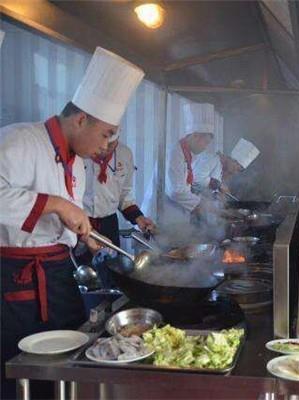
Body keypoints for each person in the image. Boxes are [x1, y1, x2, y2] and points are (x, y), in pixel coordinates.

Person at [0, 47, 143, 398]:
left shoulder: (77, 162)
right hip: (15, 282)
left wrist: (85, 235)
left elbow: (67, 217)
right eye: (106, 134)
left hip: (59, 276)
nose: (108, 145)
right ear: (80, 120)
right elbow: (50, 206)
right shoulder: (18, 140)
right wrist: (55, 204)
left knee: (67, 365)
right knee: (18, 372)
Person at [78, 133, 155, 265]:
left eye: (111, 144)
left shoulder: (125, 154)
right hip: (79, 224)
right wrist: (86, 233)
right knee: (82, 271)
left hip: (109, 224)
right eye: (101, 142)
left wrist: (138, 217)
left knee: (113, 270)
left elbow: (124, 194)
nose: (105, 148)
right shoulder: (79, 153)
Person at [164, 103, 215, 224]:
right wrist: (201, 203)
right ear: (195, 136)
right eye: (206, 142)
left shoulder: (187, 153)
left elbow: (186, 183)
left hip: (175, 213)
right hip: (159, 215)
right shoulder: (175, 153)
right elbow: (175, 191)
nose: (205, 147)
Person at [191, 138, 260, 199]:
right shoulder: (211, 159)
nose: (235, 172)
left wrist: (221, 195)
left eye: (238, 171)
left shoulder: (220, 169)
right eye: (237, 169)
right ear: (233, 160)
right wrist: (219, 185)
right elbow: (195, 177)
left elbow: (210, 190)